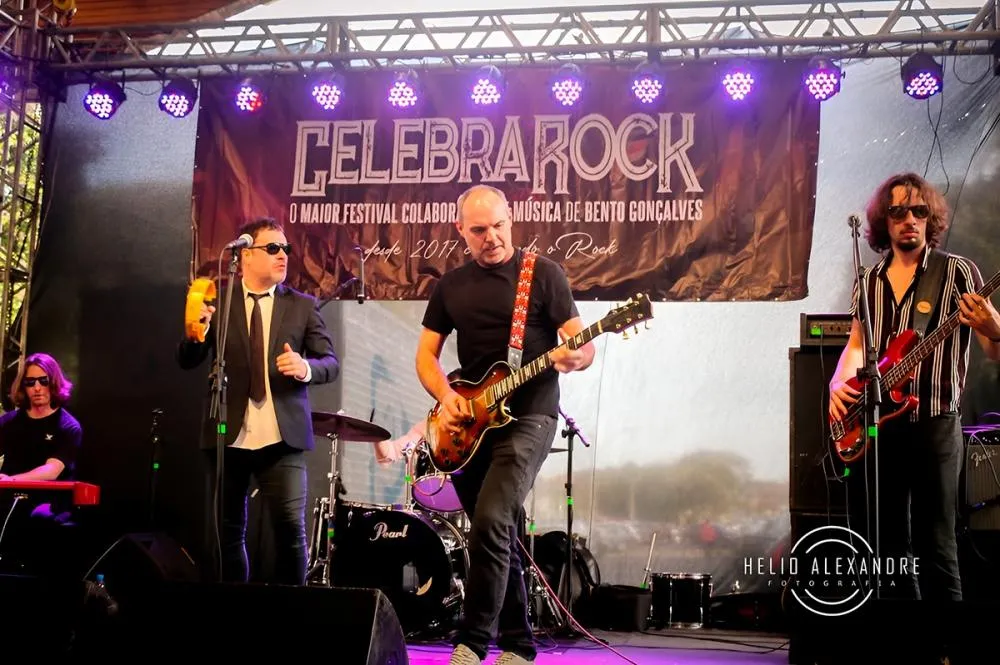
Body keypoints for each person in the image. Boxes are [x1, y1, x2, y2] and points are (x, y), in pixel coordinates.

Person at [416, 184, 595, 665]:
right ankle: (519, 645)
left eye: (499, 225)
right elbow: (426, 358)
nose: (491, 237)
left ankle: (472, 643)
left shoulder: (543, 275)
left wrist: (578, 355)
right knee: (497, 532)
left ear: (510, 219)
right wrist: (447, 396)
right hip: (472, 428)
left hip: (531, 415)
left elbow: (583, 343)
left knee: (493, 521)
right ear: (461, 231)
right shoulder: (450, 286)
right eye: (479, 230)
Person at [828, 173, 1000, 656]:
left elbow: (993, 351)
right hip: (882, 426)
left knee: (938, 543)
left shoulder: (958, 272)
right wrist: (835, 384)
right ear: (884, 221)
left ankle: (948, 649)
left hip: (937, 424)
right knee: (888, 547)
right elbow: (859, 346)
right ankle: (908, 647)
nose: (910, 220)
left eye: (919, 212)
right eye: (899, 212)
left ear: (932, 219)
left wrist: (995, 325)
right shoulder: (870, 281)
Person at [178, 217, 340, 586]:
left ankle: (289, 619)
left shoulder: (302, 306)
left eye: (285, 249)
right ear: (245, 256)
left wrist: (305, 368)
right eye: (272, 248)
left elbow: (330, 363)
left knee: (289, 531)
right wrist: (197, 333)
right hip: (228, 435)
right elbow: (188, 360)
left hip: (282, 438)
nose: (282, 255)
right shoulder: (218, 298)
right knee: (227, 532)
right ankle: (236, 618)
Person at [0, 353, 83, 574]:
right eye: (30, 382)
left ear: (53, 382)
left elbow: (51, 471)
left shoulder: (68, 427)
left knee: (39, 520)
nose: (37, 388)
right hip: (8, 498)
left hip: (50, 502)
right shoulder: (7, 423)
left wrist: (10, 480)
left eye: (43, 381)